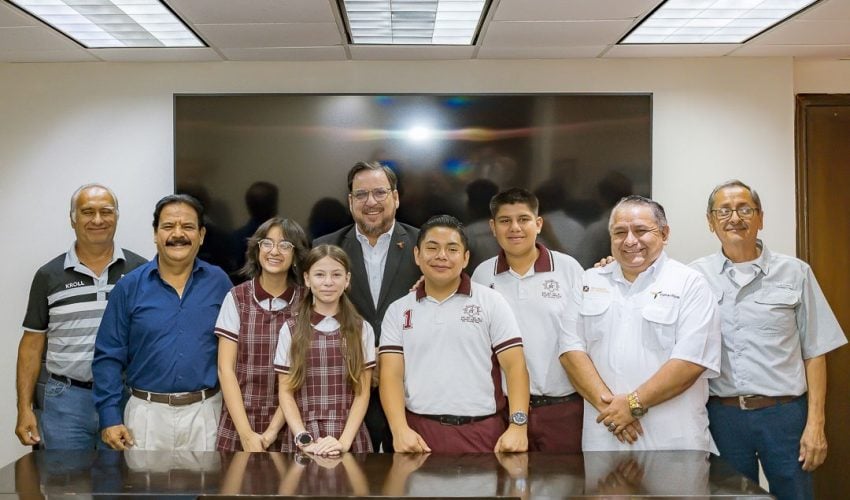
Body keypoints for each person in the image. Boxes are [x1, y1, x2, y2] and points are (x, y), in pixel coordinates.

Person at [690, 180, 847, 500]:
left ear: (760, 217)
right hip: (722, 416)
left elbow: (815, 351)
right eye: (724, 211)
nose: (735, 218)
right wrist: (611, 265)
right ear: (710, 221)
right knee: (730, 497)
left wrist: (815, 423)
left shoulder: (795, 272)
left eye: (745, 209)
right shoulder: (694, 277)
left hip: (785, 414)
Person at [560, 195, 721, 452]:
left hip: (673, 441)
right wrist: (613, 413)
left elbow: (690, 362)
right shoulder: (589, 281)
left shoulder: (690, 283)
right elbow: (571, 352)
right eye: (619, 232)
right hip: (605, 435)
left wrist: (632, 405)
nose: (630, 240)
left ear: (664, 233)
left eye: (641, 230)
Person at [379, 215, 530, 453]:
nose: (442, 256)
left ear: (465, 258)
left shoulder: (491, 302)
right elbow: (391, 375)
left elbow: (515, 367)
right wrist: (399, 430)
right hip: (418, 436)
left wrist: (518, 426)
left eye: (452, 249)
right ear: (417, 255)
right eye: (432, 248)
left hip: (483, 434)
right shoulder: (398, 310)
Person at [93, 194, 232, 451]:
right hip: (145, 417)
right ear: (155, 234)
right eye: (168, 226)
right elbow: (108, 356)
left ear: (201, 235)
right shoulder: (129, 287)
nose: (178, 234)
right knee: (145, 480)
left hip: (206, 415)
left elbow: (236, 351)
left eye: (188, 226)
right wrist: (109, 417)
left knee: (210, 480)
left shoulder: (219, 283)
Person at [15, 184, 146, 449]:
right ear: (73, 219)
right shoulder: (48, 275)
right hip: (66, 401)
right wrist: (24, 408)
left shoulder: (140, 271)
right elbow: (31, 345)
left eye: (106, 211)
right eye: (88, 212)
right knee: (67, 476)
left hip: (124, 397)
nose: (98, 220)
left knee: (122, 475)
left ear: (116, 217)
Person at [313, 161, 420, 452]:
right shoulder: (325, 248)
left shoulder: (423, 245)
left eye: (379, 192)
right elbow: (313, 318)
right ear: (350, 201)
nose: (370, 202)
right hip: (346, 392)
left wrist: (387, 359)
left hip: (412, 392)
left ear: (395, 197)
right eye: (361, 194)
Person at [471, 188, 585, 452]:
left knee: (565, 478)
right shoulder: (482, 275)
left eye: (523, 219)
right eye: (505, 221)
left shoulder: (569, 269)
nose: (515, 228)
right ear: (493, 227)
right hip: (502, 411)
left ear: (539, 224)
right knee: (506, 478)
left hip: (562, 409)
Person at [214, 217, 309, 451]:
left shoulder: (307, 301)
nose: (274, 251)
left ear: (296, 255)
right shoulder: (237, 298)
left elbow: (302, 373)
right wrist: (246, 435)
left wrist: (271, 431)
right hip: (239, 421)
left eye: (285, 245)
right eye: (267, 243)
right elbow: (225, 369)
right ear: (257, 250)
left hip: (292, 421)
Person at [274, 245, 375, 455]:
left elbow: (362, 392)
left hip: (349, 435)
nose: (328, 282)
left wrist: (343, 442)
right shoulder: (291, 329)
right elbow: (285, 392)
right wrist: (304, 439)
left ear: (347, 280)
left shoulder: (362, 329)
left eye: (336, 275)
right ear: (307, 279)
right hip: (303, 434)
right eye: (319, 275)